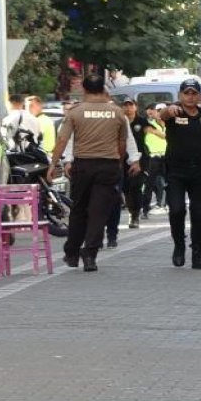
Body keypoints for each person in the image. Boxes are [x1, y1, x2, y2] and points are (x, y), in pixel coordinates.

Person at [48, 73, 133, 272]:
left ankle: (72, 252)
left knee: (79, 210)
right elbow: (122, 143)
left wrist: (53, 164)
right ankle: (90, 254)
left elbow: (62, 140)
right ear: (103, 89)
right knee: (98, 212)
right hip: (108, 166)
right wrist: (118, 163)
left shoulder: (75, 113)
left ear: (84, 89)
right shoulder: (117, 113)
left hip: (83, 166)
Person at [158, 79, 201, 269]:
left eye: (194, 93)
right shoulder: (174, 112)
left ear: (199, 96)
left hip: (199, 170)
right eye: (187, 93)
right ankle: (179, 246)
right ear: (180, 95)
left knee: (199, 213)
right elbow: (163, 115)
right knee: (177, 210)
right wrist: (169, 109)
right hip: (175, 170)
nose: (190, 97)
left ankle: (197, 254)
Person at [121, 99, 151, 229]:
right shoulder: (120, 121)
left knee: (136, 186)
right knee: (126, 188)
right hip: (122, 159)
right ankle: (131, 210)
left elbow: (155, 131)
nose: (128, 108)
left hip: (140, 159)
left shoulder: (142, 122)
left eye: (130, 105)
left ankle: (135, 215)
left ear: (136, 107)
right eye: (125, 105)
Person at [142, 104, 168, 216]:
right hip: (153, 157)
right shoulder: (149, 125)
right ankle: (145, 209)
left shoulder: (171, 126)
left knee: (170, 182)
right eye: (158, 110)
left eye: (162, 110)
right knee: (149, 184)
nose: (160, 113)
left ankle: (166, 205)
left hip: (167, 157)